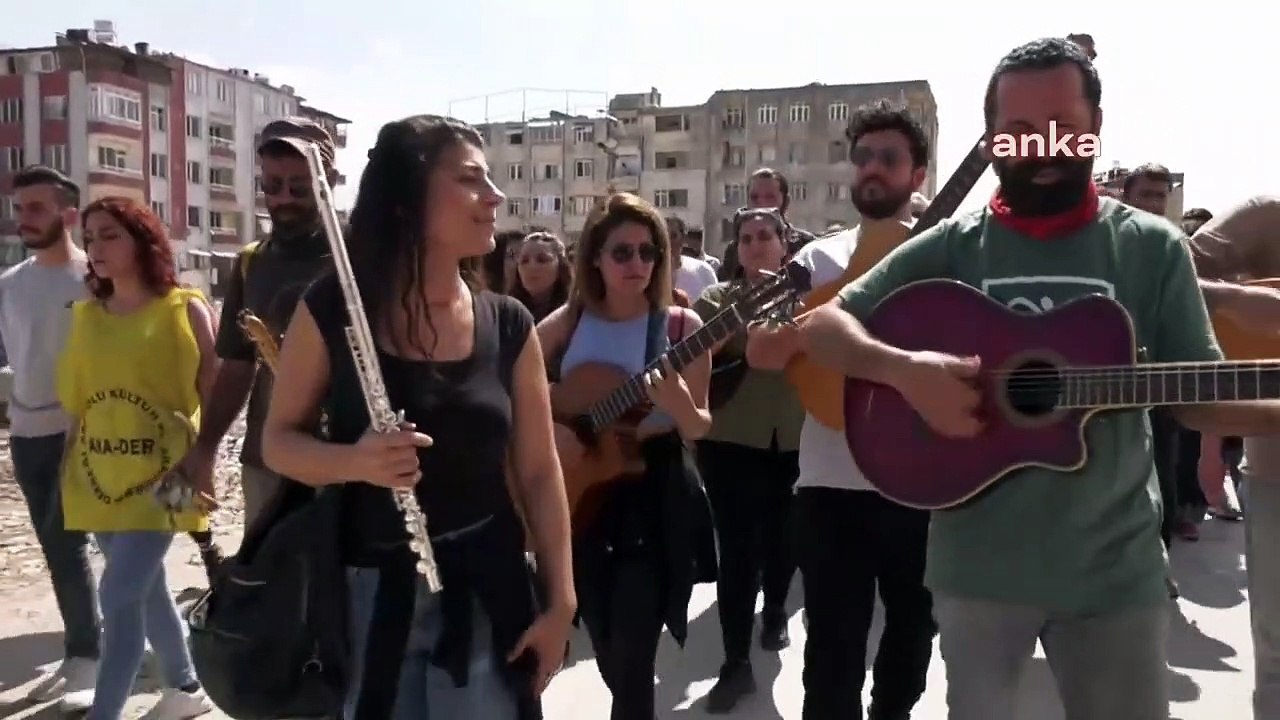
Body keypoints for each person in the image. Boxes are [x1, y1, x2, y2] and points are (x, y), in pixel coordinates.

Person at [798, 38, 1280, 720]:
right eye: (1018, 132)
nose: (1041, 147)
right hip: (977, 576)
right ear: (992, 137)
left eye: (1063, 128)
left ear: (1096, 129)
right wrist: (907, 372)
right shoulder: (951, 247)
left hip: (1116, 579)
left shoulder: (1151, 246)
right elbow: (821, 328)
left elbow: (1201, 404)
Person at [261, 114, 575, 719]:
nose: (495, 197)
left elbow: (539, 470)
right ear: (408, 199)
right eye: (471, 180)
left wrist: (560, 602)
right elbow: (278, 442)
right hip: (372, 597)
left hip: (489, 592)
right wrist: (355, 461)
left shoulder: (509, 322)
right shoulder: (333, 306)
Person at [747, 100, 937, 720]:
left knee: (911, 637)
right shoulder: (814, 261)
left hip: (924, 483)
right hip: (831, 486)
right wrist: (826, 324)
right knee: (830, 655)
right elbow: (761, 349)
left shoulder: (945, 257)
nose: (872, 169)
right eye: (863, 158)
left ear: (918, 175)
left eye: (889, 158)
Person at [537, 192, 717, 720]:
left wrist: (680, 404)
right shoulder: (570, 322)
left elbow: (700, 426)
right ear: (595, 257)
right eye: (622, 252)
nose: (637, 264)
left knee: (634, 659)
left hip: (654, 497)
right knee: (608, 648)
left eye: (648, 253)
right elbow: (509, 377)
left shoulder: (682, 328)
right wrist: (560, 420)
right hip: (583, 500)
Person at [57, 197, 216, 719]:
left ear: (142, 241)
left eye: (110, 235)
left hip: (170, 476)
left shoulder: (184, 308)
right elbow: (78, 408)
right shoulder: (85, 317)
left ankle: (106, 712)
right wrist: (65, 473)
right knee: (145, 591)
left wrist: (203, 466)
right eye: (91, 236)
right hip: (98, 477)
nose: (96, 247)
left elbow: (214, 399)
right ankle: (186, 685)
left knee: (119, 594)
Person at [175, 118, 337, 533]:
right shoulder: (252, 262)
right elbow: (236, 367)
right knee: (268, 587)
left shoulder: (364, 258)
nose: (284, 199)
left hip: (349, 460)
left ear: (329, 181)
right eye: (272, 186)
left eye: (299, 188)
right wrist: (205, 448)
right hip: (268, 462)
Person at [693, 206, 804, 713]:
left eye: (766, 236)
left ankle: (777, 608)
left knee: (784, 536)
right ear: (735, 250)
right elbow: (703, 350)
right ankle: (734, 662)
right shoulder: (718, 298)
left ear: (785, 244)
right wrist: (751, 307)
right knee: (737, 552)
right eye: (746, 238)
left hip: (797, 439)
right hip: (731, 442)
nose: (757, 244)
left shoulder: (807, 295)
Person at [4, 165, 100, 711]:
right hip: (26, 434)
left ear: (66, 212)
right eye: (19, 209)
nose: (24, 219)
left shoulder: (95, 278)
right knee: (56, 542)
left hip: (83, 433)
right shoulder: (9, 286)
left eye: (36, 208)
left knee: (72, 544)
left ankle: (86, 653)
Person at [1185, 195, 1280, 718]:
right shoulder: (1269, 215)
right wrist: (1236, 302)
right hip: (1277, 474)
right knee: (1278, 659)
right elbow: (1166, 271)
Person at [507, 231, 572, 323]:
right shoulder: (505, 313)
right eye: (524, 261)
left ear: (560, 267)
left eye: (542, 260)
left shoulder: (576, 312)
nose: (532, 266)